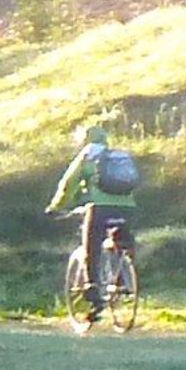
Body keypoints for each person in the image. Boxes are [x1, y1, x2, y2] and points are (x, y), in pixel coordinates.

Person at [48, 119, 140, 321]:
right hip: (127, 208)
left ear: (85, 139)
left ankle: (92, 288)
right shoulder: (120, 156)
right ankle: (125, 279)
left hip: (100, 208)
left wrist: (56, 207)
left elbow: (68, 184)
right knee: (120, 239)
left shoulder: (88, 154)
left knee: (91, 244)